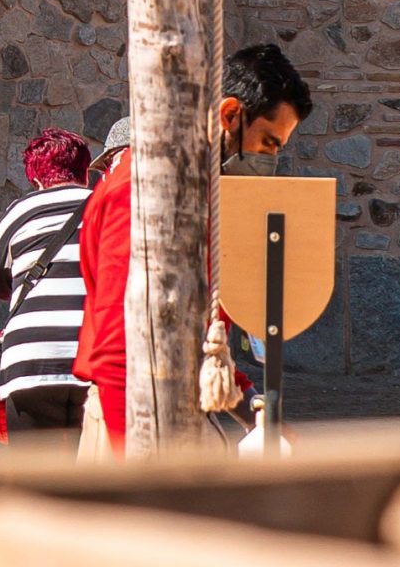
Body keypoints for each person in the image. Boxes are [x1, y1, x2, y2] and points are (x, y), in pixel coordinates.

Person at [72, 44, 315, 454]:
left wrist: (253, 411)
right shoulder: (144, 188)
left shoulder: (197, 192)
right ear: (230, 115)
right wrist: (135, 469)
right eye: (268, 143)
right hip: (133, 425)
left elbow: (194, 339)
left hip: (171, 418)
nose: (270, 158)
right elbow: (118, 350)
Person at [0, 127, 95, 439]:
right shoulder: (103, 203)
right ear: (85, 170)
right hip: (93, 353)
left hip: (30, 356)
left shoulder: (20, 210)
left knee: (33, 467)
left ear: (35, 178)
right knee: (93, 466)